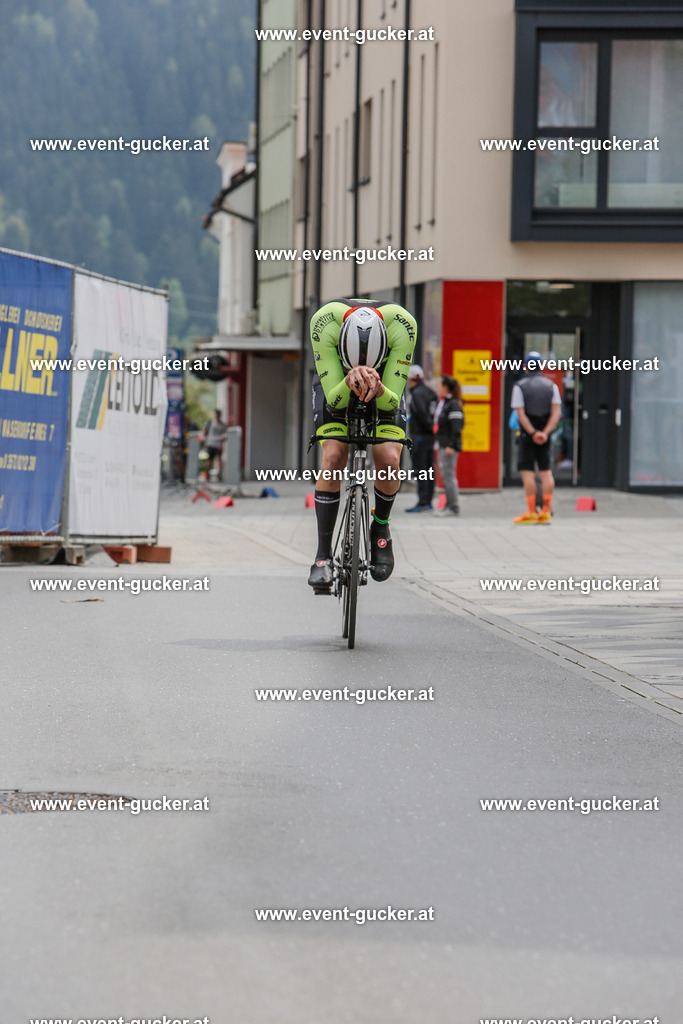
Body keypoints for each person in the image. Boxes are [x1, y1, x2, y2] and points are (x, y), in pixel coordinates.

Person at [307, 298, 417, 592]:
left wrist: (379, 388)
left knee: (389, 458)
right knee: (333, 456)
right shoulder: (323, 323)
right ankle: (322, 555)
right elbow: (334, 402)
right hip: (337, 382)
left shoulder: (403, 326)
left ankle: (380, 526)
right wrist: (347, 381)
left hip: (386, 384)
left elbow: (391, 402)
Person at [511, 351, 562, 524]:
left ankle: (532, 511)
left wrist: (533, 433)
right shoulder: (551, 386)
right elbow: (556, 413)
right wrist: (545, 433)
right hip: (545, 436)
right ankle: (546, 510)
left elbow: (521, 414)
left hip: (527, 435)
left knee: (528, 473)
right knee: (546, 472)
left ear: (525, 366)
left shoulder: (520, 386)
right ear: (541, 366)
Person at [405, 364, 437, 512]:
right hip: (430, 437)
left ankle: (423, 501)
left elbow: (422, 413)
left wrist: (428, 426)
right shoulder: (430, 392)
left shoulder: (416, 394)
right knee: (429, 469)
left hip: (420, 436)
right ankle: (428, 500)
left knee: (421, 470)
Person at [434, 375, 464, 516]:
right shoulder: (446, 402)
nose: (438, 388)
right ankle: (448, 505)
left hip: (449, 447)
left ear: (445, 387)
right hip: (444, 444)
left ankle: (453, 507)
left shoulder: (452, 404)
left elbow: (456, 427)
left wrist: (451, 445)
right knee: (446, 476)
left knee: (449, 476)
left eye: (440, 385)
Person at [201, 409, 228, 479]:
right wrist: (205, 440)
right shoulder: (210, 423)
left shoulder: (223, 425)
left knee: (218, 459)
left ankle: (220, 474)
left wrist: (221, 443)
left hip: (218, 444)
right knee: (209, 459)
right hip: (210, 444)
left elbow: (225, 435)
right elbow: (204, 432)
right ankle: (207, 473)